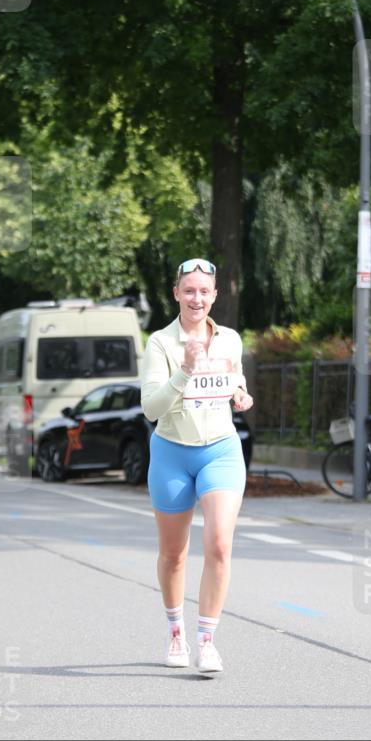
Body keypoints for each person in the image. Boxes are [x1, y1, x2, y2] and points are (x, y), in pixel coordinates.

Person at [140, 259, 254, 675]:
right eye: (189, 290)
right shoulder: (160, 343)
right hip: (172, 453)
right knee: (174, 555)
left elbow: (234, 379)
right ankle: (176, 631)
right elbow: (151, 408)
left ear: (215, 296)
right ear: (176, 294)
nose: (196, 298)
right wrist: (185, 369)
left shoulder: (230, 339)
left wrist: (242, 395)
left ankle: (207, 641)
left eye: (204, 291)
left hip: (220, 450)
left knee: (220, 545)